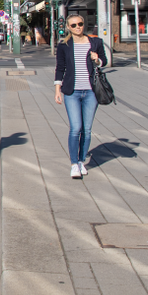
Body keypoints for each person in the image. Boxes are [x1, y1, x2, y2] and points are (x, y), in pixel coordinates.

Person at [54, 14, 109, 180]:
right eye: (73, 25)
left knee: (87, 129)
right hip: (72, 91)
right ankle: (73, 164)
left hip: (91, 91)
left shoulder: (95, 42)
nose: (78, 27)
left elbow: (104, 61)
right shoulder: (64, 45)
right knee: (76, 128)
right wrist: (57, 90)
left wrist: (97, 59)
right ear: (68, 28)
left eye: (80, 24)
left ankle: (81, 161)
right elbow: (60, 68)